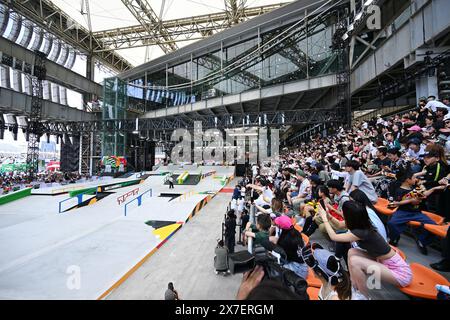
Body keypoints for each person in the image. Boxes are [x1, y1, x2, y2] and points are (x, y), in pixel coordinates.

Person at [317, 201, 412, 298]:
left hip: (400, 272)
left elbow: (334, 237)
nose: (341, 212)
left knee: (355, 261)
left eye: (343, 211)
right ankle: (353, 285)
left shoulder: (361, 232)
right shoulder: (361, 224)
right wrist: (329, 217)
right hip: (384, 261)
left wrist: (324, 219)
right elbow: (339, 225)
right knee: (351, 251)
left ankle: (362, 296)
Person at [387, 167, 445, 254]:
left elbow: (424, 194)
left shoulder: (414, 188)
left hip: (416, 213)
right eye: (414, 178)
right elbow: (394, 204)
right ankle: (395, 237)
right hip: (403, 212)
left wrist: (434, 189)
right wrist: (411, 200)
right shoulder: (399, 190)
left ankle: (422, 241)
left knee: (433, 226)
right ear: (408, 180)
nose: (416, 179)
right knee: (391, 223)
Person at [269, 215, 308, 279]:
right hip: (303, 265)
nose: (276, 225)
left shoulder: (285, 240)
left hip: (299, 270)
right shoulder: (295, 232)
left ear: (280, 227)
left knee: (273, 269)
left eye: (277, 224)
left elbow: (279, 254)